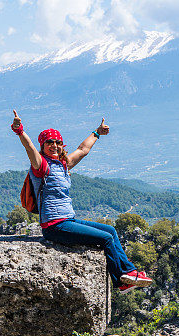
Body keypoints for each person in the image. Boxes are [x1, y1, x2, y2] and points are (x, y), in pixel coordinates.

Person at [10, 110, 151, 292]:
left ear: (61, 145)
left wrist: (97, 133)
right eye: (49, 142)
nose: (54, 145)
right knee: (106, 239)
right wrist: (19, 130)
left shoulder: (63, 164)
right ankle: (122, 280)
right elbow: (29, 148)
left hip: (68, 220)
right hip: (54, 226)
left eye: (57, 142)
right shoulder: (40, 165)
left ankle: (128, 275)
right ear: (43, 145)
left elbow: (83, 150)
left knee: (110, 230)